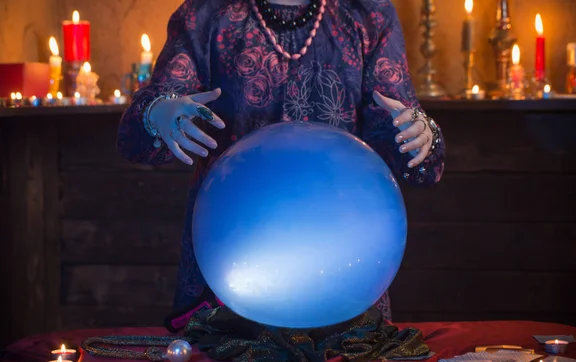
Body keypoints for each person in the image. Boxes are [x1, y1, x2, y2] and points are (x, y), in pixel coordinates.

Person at [117, 0, 445, 323]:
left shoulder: (366, 13)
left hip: (345, 242)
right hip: (235, 244)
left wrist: (417, 134)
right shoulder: (207, 14)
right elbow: (144, 126)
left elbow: (394, 124)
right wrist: (158, 113)